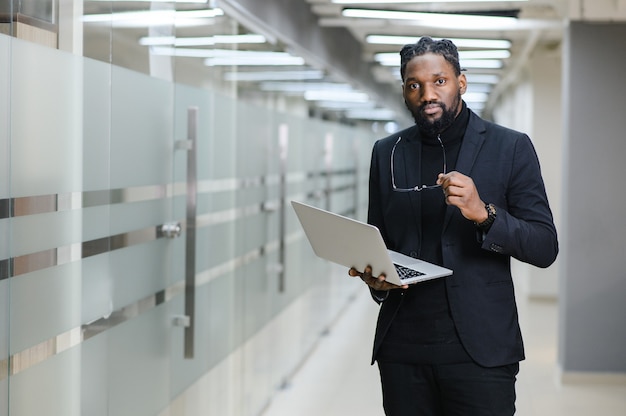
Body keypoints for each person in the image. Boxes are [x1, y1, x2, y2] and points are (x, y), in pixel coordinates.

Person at [348, 36, 558, 415]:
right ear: (405, 90)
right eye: (415, 85)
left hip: (480, 352)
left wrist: (484, 213)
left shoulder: (509, 147)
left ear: (461, 82)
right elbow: (376, 239)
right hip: (404, 349)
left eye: (439, 81)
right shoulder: (387, 152)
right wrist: (377, 281)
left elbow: (544, 246)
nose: (427, 93)